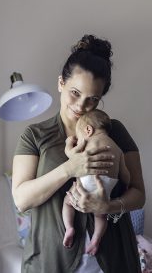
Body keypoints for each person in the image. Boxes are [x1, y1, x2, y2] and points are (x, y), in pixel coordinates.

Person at [12, 34, 145, 273]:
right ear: (61, 83)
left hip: (113, 260)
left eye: (93, 99)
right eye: (75, 92)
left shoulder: (115, 132)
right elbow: (21, 199)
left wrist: (108, 207)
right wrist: (70, 168)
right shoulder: (34, 135)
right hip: (51, 261)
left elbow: (138, 194)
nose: (81, 106)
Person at [62, 109, 130, 256]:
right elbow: (125, 175)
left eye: (79, 137)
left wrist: (69, 143)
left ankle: (69, 228)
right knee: (101, 214)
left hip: (86, 182)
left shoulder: (87, 144)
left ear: (88, 130)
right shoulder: (118, 149)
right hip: (106, 187)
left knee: (68, 201)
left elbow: (70, 155)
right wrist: (125, 185)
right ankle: (96, 240)